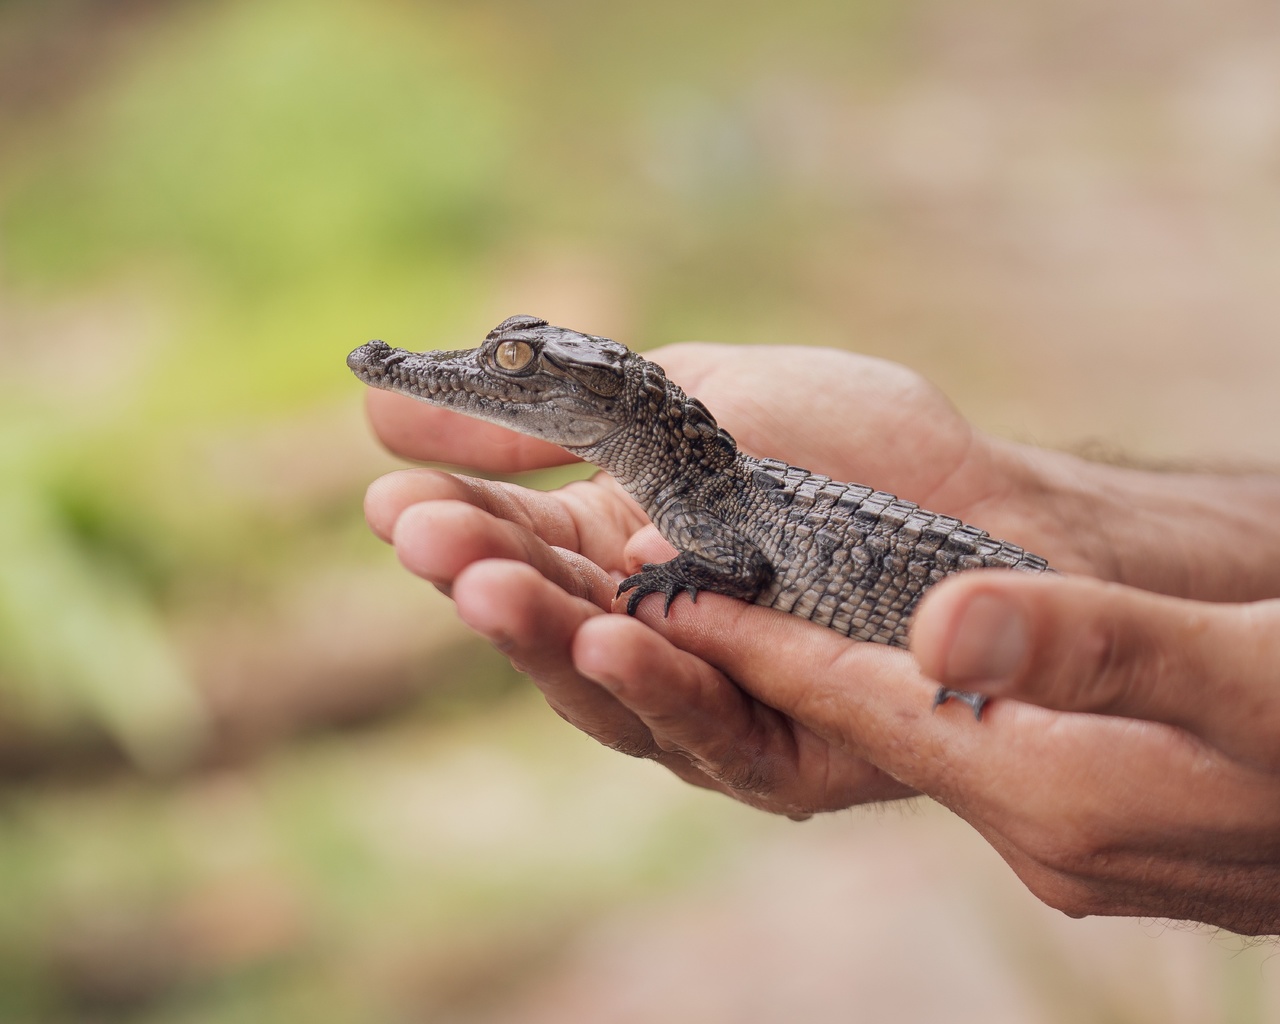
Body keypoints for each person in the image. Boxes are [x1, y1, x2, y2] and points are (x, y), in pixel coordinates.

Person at [360, 340, 1280, 936]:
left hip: (1009, 618)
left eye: (518, 363)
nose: (476, 374)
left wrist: (683, 575)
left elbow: (743, 573)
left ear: (606, 399)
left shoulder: (701, 501)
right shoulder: (701, 487)